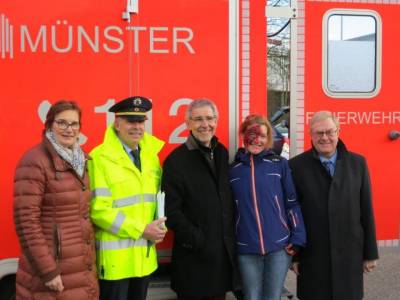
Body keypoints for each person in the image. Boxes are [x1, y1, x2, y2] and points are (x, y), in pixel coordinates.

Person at [289, 110, 378, 300]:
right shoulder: (296, 166)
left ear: (338, 131)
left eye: (329, 132)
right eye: (319, 133)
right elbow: (293, 214)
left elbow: (366, 210)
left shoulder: (358, 163)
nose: (325, 137)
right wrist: (294, 256)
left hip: (350, 253)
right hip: (312, 254)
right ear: (311, 135)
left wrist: (370, 253)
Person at [13, 100, 99, 299]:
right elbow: (26, 222)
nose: (69, 129)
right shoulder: (35, 161)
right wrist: (48, 271)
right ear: (49, 125)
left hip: (80, 270)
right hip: (53, 271)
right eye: (62, 123)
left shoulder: (82, 161)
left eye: (74, 124)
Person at [88, 96, 167, 300]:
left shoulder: (151, 156)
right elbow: (99, 210)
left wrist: (160, 225)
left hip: (144, 259)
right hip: (116, 264)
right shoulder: (99, 158)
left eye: (141, 121)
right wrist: (142, 230)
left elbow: (154, 201)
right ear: (117, 123)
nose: (137, 127)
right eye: (130, 121)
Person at [162, 99, 237, 300]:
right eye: (198, 119)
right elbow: (171, 212)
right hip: (193, 262)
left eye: (210, 118)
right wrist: (198, 240)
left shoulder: (221, 152)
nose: (205, 124)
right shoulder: (176, 161)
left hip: (220, 261)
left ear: (217, 121)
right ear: (188, 124)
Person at [229, 114, 306, 300]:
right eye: (251, 134)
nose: (257, 140)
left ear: (268, 139)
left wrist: (297, 237)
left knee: (273, 297)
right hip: (246, 249)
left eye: (262, 136)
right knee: (252, 297)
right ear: (243, 135)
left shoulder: (280, 165)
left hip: (279, 248)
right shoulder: (232, 170)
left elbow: (292, 203)